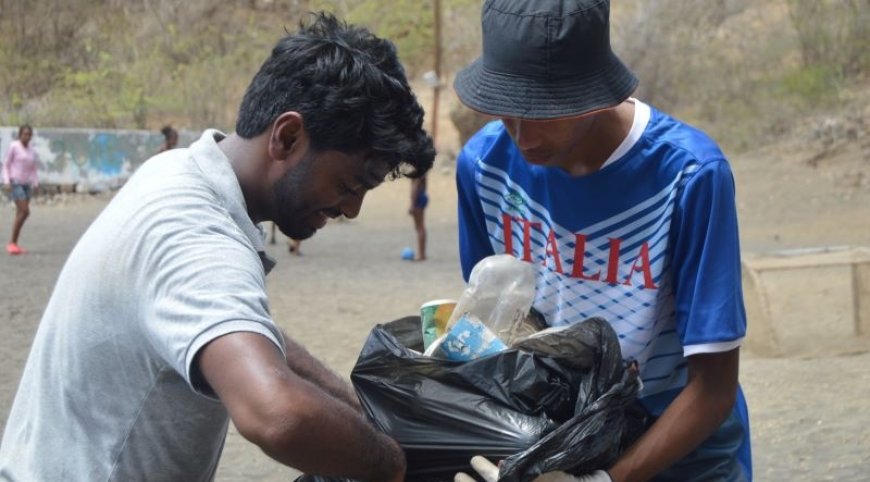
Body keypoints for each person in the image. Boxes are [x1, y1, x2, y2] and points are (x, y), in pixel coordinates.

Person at [0, 12, 434, 481]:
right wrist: (392, 465)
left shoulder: (176, 171)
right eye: (351, 184)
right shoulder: (196, 235)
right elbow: (276, 413)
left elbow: (250, 332)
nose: (352, 210)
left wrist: (370, 419)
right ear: (287, 137)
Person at [452, 1, 751, 481]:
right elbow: (494, 332)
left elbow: (712, 388)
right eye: (506, 110)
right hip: (551, 440)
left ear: (594, 92)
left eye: (543, 113)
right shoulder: (485, 167)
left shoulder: (688, 176)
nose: (523, 137)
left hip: (676, 448)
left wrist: (606, 479)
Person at [2, 124, 39, 255]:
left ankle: (14, 245)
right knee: (25, 211)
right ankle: (11, 242)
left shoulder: (31, 150)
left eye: (29, 135)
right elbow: (6, 164)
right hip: (15, 182)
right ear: (20, 135)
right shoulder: (14, 146)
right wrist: (6, 181)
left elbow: (33, 167)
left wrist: (36, 182)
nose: (27, 137)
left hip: (26, 184)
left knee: (20, 214)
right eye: (25, 134)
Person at [408, 175, 428, 260]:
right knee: (421, 227)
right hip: (422, 195)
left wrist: (412, 204)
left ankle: (421, 254)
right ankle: (422, 253)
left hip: (418, 198)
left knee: (419, 227)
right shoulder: (423, 169)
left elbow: (415, 187)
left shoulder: (417, 171)